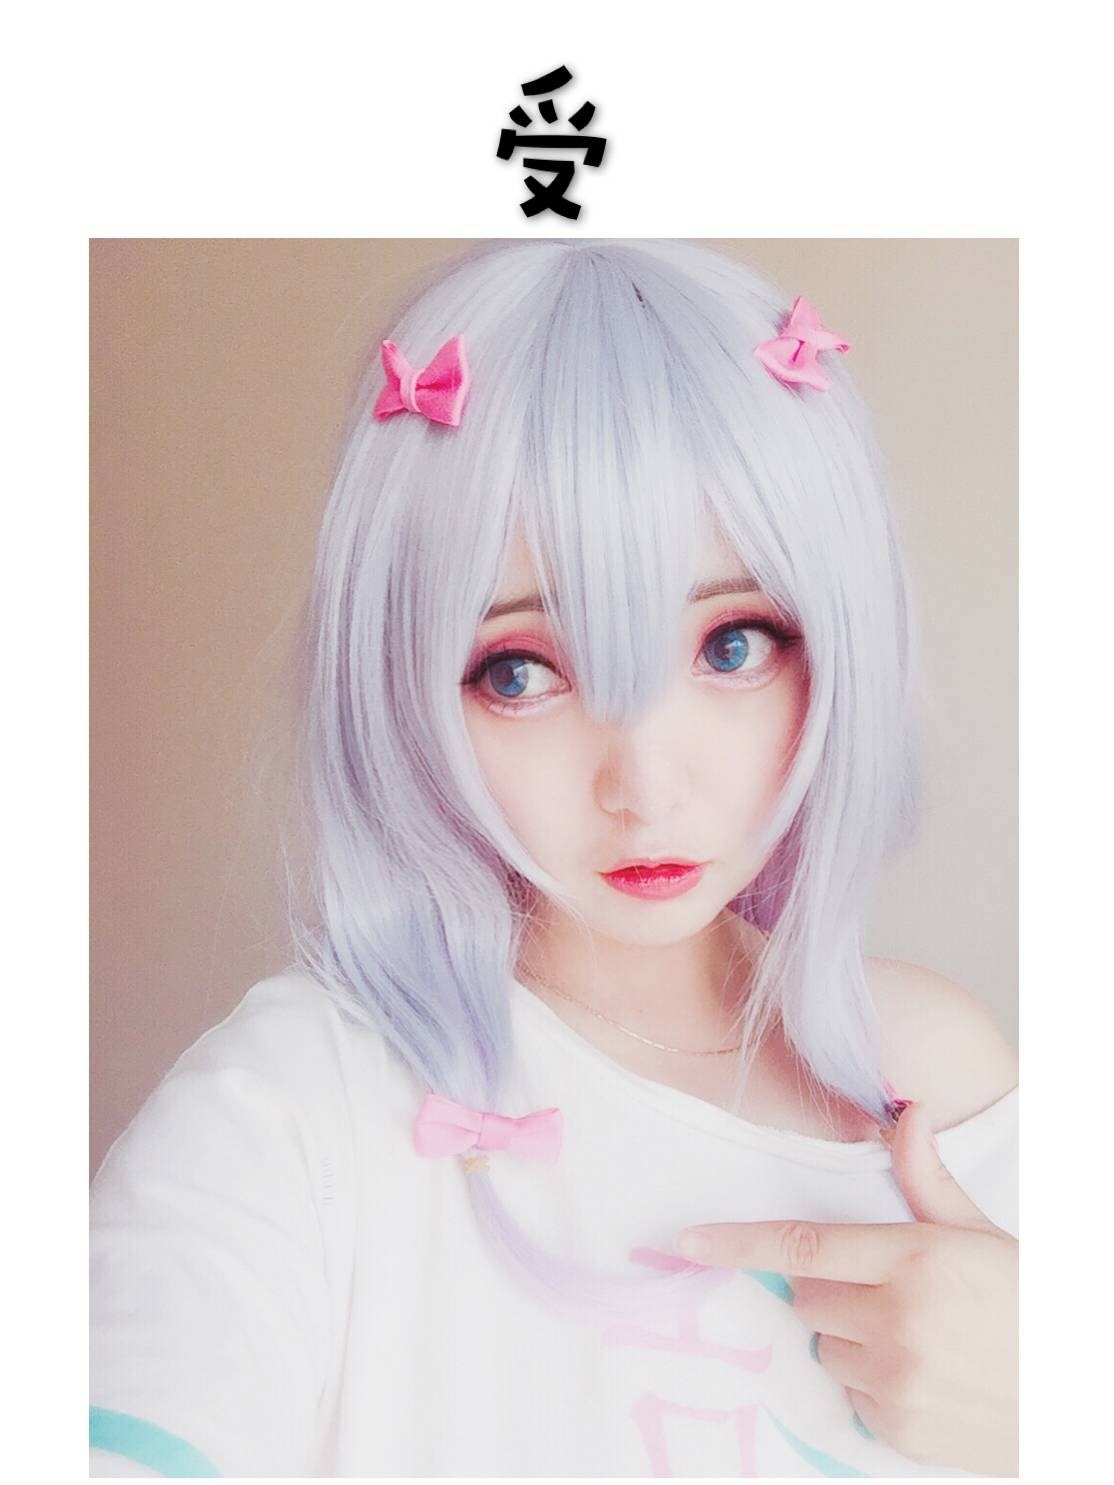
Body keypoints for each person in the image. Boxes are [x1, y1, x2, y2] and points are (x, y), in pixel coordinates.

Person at [90, 239, 1019, 1478]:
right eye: (520, 671)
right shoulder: (292, 1110)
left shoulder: (930, 1076)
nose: (643, 786)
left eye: (733, 645)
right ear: (403, 688)